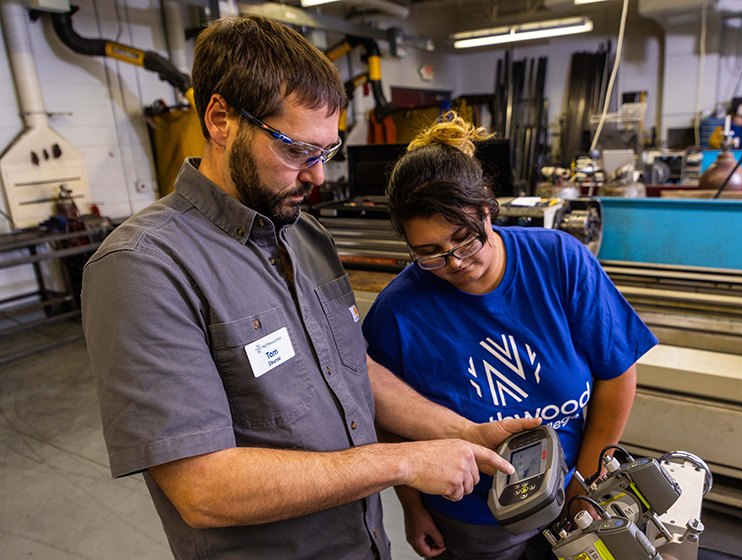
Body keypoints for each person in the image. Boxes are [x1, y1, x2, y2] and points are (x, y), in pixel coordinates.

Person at [81, 17, 536, 560]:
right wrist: (406, 461)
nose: (318, 177)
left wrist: (464, 431)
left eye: (327, 152)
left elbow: (352, 370)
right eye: (298, 151)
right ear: (221, 119)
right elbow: (203, 488)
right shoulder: (143, 267)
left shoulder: (304, 236)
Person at [362, 114, 659, 560]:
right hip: (472, 515)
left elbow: (616, 372)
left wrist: (583, 486)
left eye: (464, 241)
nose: (454, 263)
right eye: (429, 253)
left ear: (487, 209)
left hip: (571, 489)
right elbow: (386, 418)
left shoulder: (559, 261)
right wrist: (412, 505)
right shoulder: (397, 312)